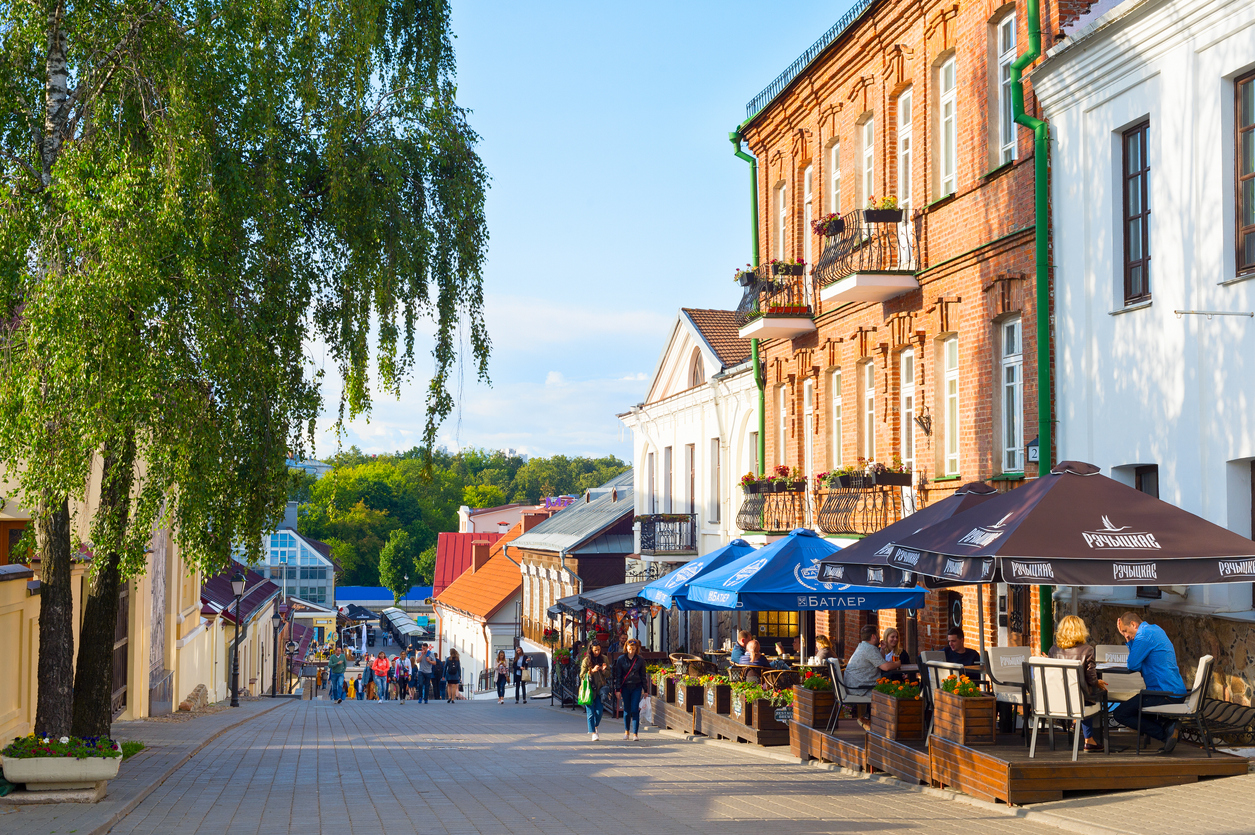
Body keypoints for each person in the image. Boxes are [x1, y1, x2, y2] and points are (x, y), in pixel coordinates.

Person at [1111, 611, 1187, 753]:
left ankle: (1166, 735)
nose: (1126, 635)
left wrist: (1128, 641)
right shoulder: (1154, 629)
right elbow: (1137, 664)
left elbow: (1133, 664)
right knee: (1136, 709)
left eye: (1125, 631)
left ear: (1134, 624)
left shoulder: (1144, 635)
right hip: (1174, 691)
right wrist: (1128, 639)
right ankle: (1169, 726)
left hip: (1165, 693)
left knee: (1120, 714)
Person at [1048, 615, 1108, 752]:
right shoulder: (1087, 650)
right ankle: (1088, 739)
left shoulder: (1053, 650)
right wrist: (1098, 682)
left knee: (1081, 695)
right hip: (1078, 703)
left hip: (1056, 701)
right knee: (1089, 695)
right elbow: (1091, 679)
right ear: (1081, 631)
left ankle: (1077, 723)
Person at [845, 625, 903, 729]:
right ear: (873, 636)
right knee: (891, 691)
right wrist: (898, 663)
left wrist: (883, 649)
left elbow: (879, 662)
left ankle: (869, 719)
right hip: (860, 689)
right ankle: (887, 726)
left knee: (885, 686)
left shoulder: (864, 646)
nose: (879, 636)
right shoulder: (870, 649)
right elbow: (885, 667)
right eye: (878, 634)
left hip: (855, 685)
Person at [614, 638, 647, 741]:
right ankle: (626, 731)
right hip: (625, 687)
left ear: (636, 649)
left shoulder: (640, 660)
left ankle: (635, 734)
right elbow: (618, 675)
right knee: (627, 710)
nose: (631, 651)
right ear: (626, 648)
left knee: (635, 709)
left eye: (633, 649)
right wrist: (618, 689)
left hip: (636, 686)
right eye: (629, 649)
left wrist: (645, 690)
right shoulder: (621, 659)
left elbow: (643, 675)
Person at [581, 643, 611, 741]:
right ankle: (593, 732)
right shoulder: (586, 660)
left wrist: (603, 670)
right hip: (589, 689)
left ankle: (596, 726)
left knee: (599, 711)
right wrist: (592, 671)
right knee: (590, 712)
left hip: (600, 689)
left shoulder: (604, 659)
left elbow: (608, 674)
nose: (597, 652)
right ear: (591, 650)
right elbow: (581, 675)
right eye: (595, 650)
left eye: (598, 649)